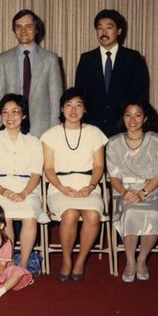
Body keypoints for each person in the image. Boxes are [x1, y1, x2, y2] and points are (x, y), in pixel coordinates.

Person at [41, 87, 108, 282]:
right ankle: (67, 260)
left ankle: (80, 260)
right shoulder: (50, 134)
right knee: (70, 214)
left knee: (93, 215)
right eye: (68, 105)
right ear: (62, 109)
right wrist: (62, 188)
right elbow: (49, 169)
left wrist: (91, 185)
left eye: (78, 105)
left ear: (85, 109)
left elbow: (98, 165)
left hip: (89, 185)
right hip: (59, 186)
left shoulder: (95, 133)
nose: (73, 110)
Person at [106, 100, 158, 282]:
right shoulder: (113, 143)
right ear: (123, 117)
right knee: (130, 212)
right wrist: (126, 193)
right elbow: (113, 177)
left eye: (137, 115)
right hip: (125, 190)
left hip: (153, 190)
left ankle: (142, 259)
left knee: (152, 213)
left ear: (145, 118)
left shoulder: (157, 141)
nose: (132, 120)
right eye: (128, 115)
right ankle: (130, 261)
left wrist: (142, 193)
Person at [0, 93, 48, 271]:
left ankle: (23, 265)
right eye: (5, 112)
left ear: (24, 114)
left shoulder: (34, 142)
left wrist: (23, 193)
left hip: (27, 188)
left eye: (15, 112)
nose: (9, 117)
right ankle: (8, 262)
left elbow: (35, 175)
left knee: (30, 218)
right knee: (5, 216)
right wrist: (1, 190)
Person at [74, 9, 150, 137]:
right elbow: (79, 97)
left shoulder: (133, 58)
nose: (104, 32)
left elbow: (140, 96)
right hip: (93, 130)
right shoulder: (86, 59)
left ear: (119, 31)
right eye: (100, 28)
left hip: (124, 129)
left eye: (109, 27)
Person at [0, 9, 63, 137]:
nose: (23, 31)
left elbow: (56, 99)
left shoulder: (50, 59)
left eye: (28, 26)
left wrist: (54, 133)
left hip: (42, 130)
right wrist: (1, 126)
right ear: (14, 31)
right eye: (19, 27)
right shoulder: (3, 59)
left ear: (36, 29)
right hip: (11, 129)